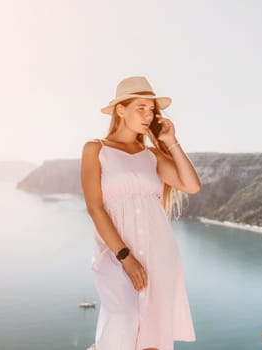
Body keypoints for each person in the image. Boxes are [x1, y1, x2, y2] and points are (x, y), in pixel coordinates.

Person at [80, 76, 201, 350]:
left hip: (159, 254)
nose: (148, 115)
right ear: (120, 110)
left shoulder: (152, 156)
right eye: (141, 108)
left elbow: (192, 185)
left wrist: (171, 141)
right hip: (117, 254)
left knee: (152, 338)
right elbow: (94, 208)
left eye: (152, 110)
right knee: (123, 318)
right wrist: (125, 257)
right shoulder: (95, 149)